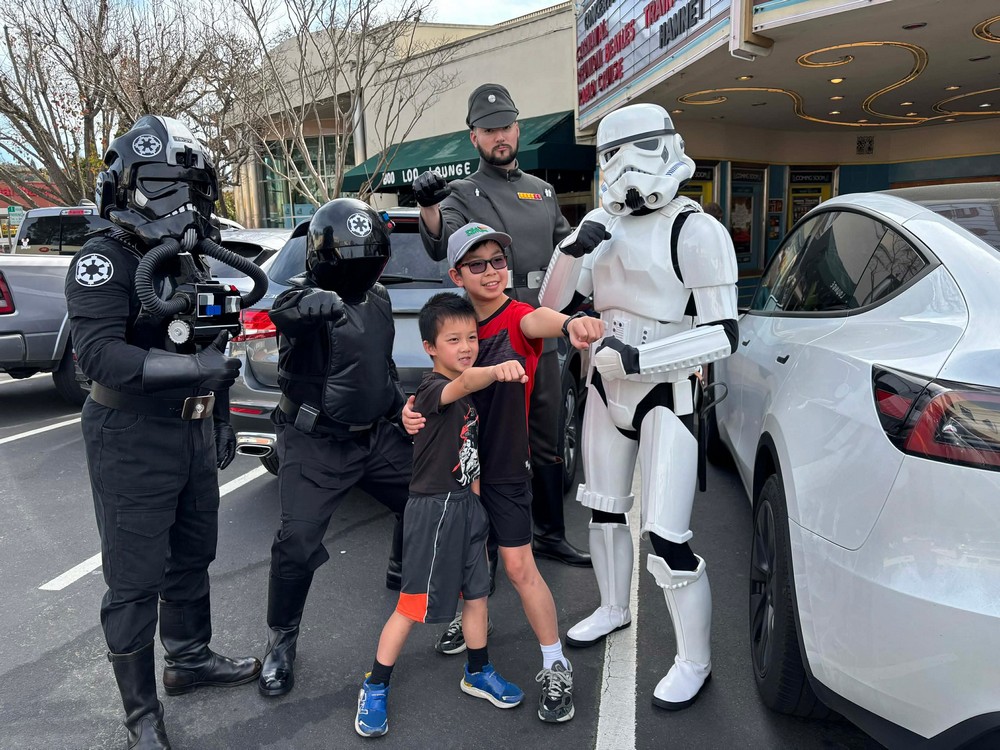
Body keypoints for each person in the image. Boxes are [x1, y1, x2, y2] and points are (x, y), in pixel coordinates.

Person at [66, 115, 261, 749]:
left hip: (192, 431)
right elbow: (100, 355)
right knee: (133, 579)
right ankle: (140, 713)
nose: (185, 202)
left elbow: (213, 340)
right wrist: (194, 371)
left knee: (192, 553)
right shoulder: (104, 259)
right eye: (168, 186)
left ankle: (189, 658)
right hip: (131, 434)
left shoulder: (187, 259)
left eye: (193, 189)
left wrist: (221, 414)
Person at [539, 103, 739, 710]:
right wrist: (571, 250)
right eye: (612, 154)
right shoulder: (598, 225)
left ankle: (694, 658)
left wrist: (641, 359)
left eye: (640, 147)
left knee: (667, 537)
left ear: (668, 148)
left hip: (665, 392)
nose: (625, 165)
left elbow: (724, 333)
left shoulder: (696, 230)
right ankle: (612, 607)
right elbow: (550, 307)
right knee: (602, 512)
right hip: (605, 388)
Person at [405, 223, 605, 723]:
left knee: (518, 566)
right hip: (455, 473)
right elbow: (434, 383)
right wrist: (410, 411)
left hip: (506, 469)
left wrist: (570, 323)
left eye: (498, 260)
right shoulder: (453, 323)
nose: (492, 271)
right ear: (457, 276)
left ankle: (555, 664)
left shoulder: (516, 317)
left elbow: (539, 319)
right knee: (468, 561)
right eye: (478, 264)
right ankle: (474, 626)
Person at [411, 84, 592, 581]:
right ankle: (484, 549)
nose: (499, 136)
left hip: (538, 327)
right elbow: (441, 238)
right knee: (486, 437)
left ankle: (549, 533)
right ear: (474, 137)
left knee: (547, 434)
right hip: (489, 334)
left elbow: (567, 251)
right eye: (488, 130)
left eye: (506, 126)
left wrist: (588, 241)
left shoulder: (543, 191)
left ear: (518, 128)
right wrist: (427, 207)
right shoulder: (461, 193)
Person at [258, 197, 413, 698]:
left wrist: (402, 410)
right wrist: (309, 304)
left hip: (375, 436)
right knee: (297, 543)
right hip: (316, 444)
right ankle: (281, 640)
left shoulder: (380, 298)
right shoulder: (304, 298)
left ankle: (401, 566)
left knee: (424, 497)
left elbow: (382, 367)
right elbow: (285, 310)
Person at [355, 292, 526, 738]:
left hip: (467, 507)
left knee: (477, 595)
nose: (466, 347)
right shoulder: (434, 389)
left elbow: (469, 458)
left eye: (471, 337)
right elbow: (464, 383)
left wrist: (478, 509)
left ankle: (478, 670)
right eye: (453, 339)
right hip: (433, 511)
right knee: (412, 606)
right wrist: (496, 370)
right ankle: (375, 684)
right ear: (430, 347)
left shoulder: (465, 398)